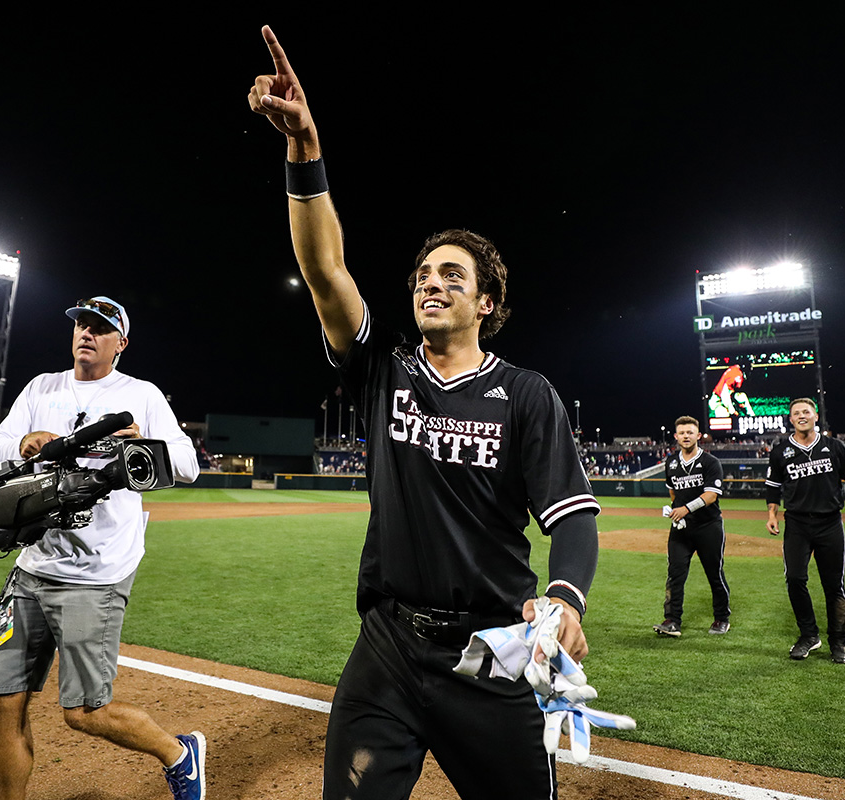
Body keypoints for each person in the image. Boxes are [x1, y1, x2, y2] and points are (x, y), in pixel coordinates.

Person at [249, 26, 601, 799]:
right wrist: (304, 145)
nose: (430, 283)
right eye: (421, 274)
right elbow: (323, 267)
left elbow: (572, 518)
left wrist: (569, 596)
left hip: (490, 655)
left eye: (452, 274)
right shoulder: (387, 371)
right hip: (388, 651)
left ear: (488, 301)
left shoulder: (528, 395)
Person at [0, 296, 206, 800]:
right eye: (81, 324)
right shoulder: (42, 387)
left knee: (85, 713)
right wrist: (23, 442)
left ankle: (178, 752)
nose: (86, 332)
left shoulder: (141, 394)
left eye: (100, 327)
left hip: (96, 572)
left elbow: (188, 463)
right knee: (3, 704)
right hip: (31, 566)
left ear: (120, 344)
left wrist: (143, 445)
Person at [765, 397, 845, 665]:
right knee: (795, 579)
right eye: (796, 413)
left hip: (829, 523)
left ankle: (838, 642)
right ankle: (809, 635)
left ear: (815, 416)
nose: (801, 416)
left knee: (834, 585)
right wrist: (772, 514)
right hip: (797, 525)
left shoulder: (834, 446)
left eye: (806, 412)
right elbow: (773, 486)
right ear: (791, 419)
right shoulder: (780, 451)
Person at [653, 415, 731, 637]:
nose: (686, 436)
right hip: (681, 529)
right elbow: (673, 492)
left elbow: (711, 496)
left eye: (690, 432)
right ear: (676, 436)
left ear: (698, 436)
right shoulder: (671, 462)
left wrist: (684, 509)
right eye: (682, 433)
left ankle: (722, 618)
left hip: (709, 527)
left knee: (714, 573)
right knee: (675, 574)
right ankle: (672, 620)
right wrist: (674, 509)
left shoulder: (710, 462)